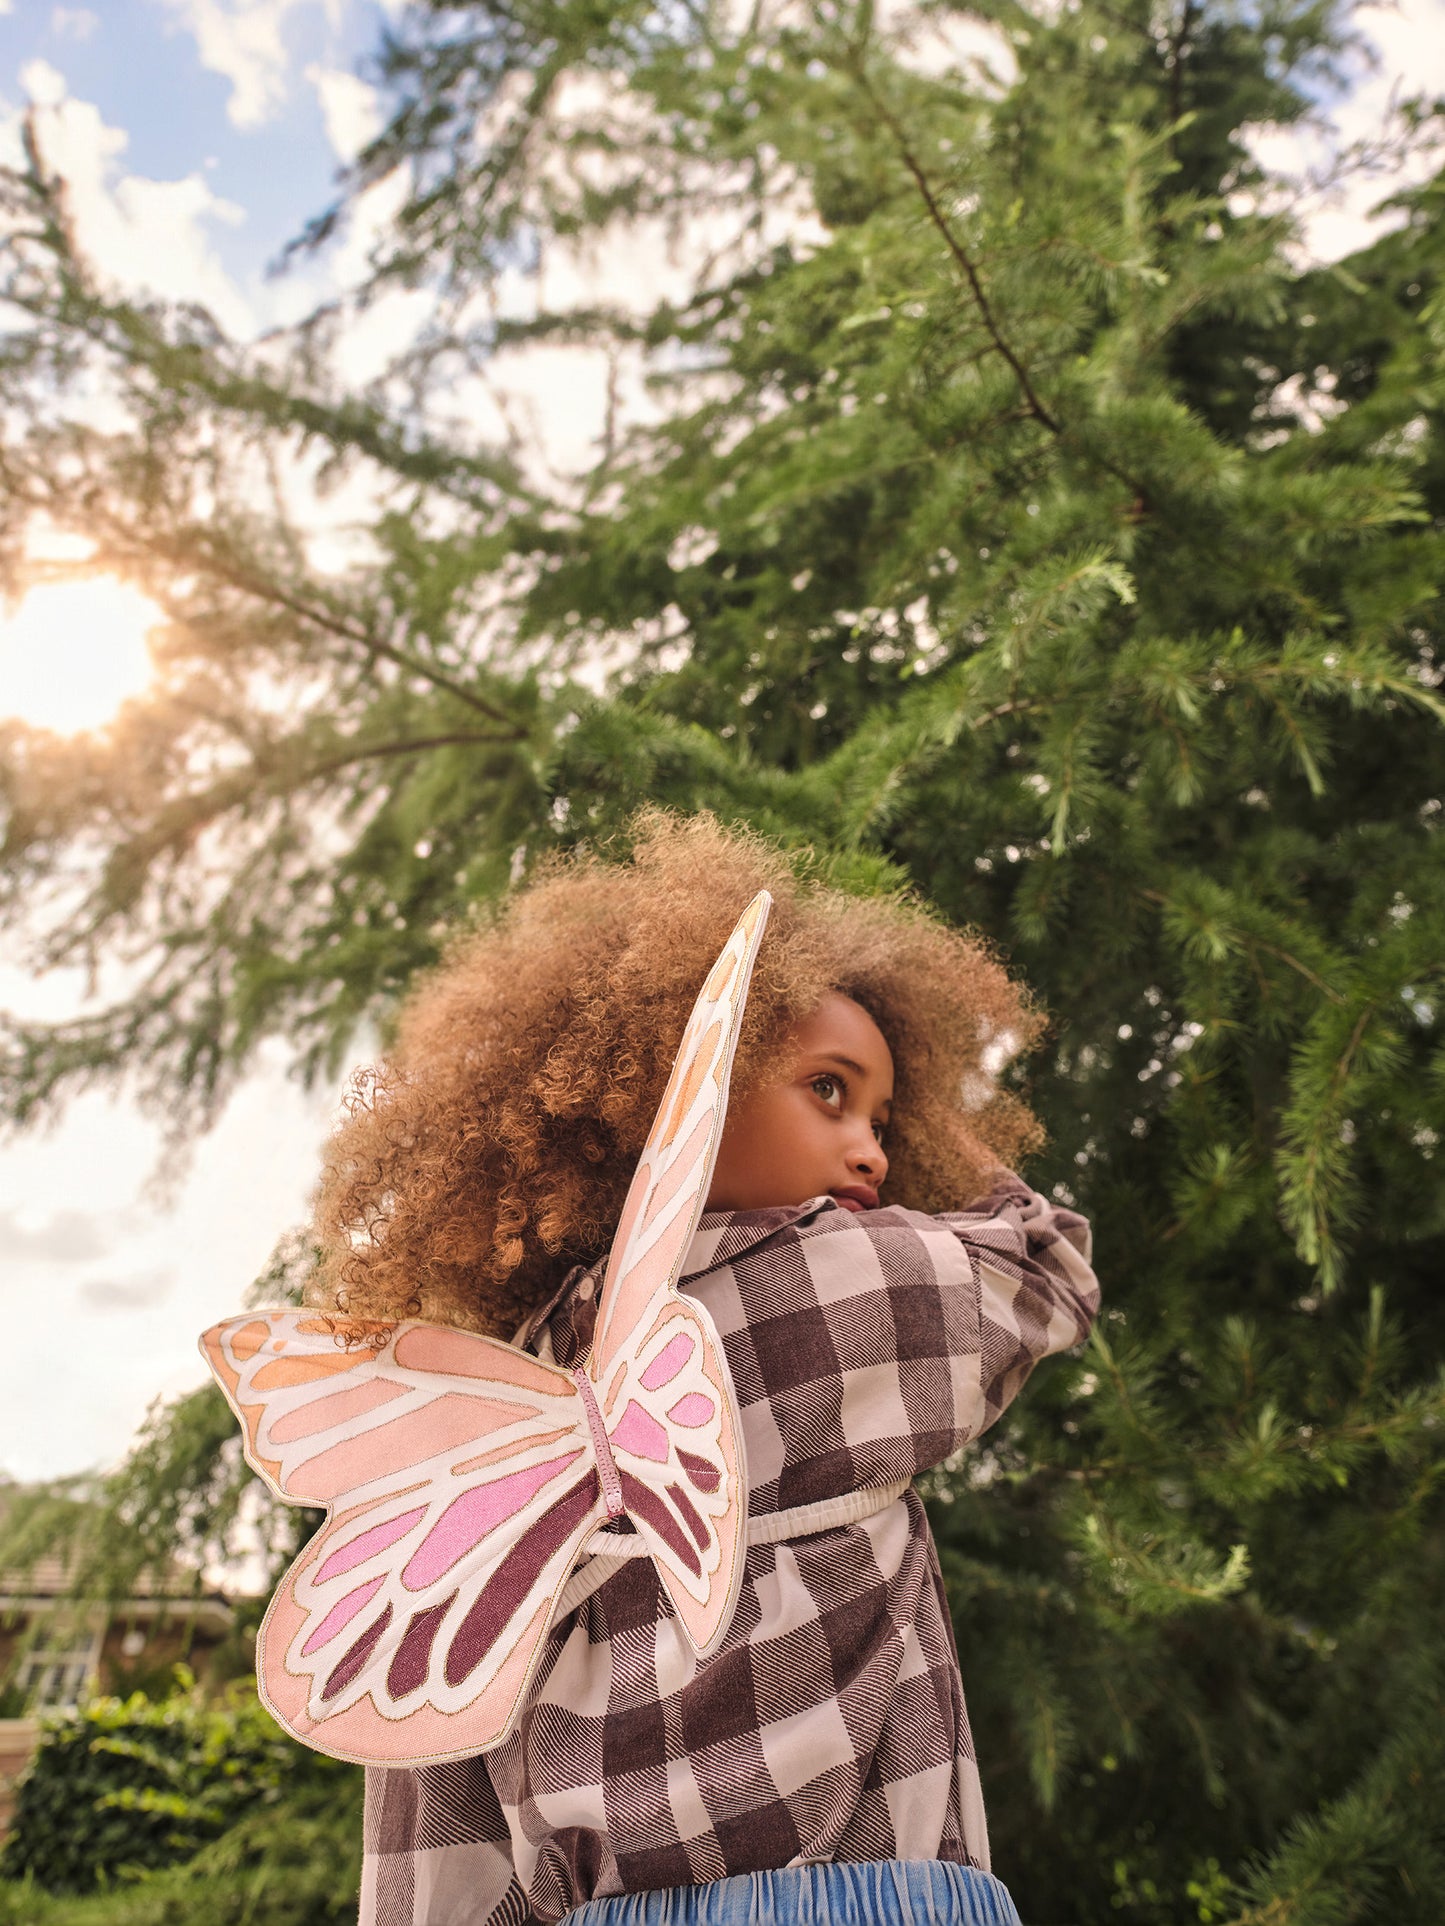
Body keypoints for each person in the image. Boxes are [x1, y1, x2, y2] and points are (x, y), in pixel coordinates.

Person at [310, 813, 1100, 1926]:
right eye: (829, 1088)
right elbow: (1046, 1269)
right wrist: (944, 1135)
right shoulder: (832, 1284)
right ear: (677, 1088)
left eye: (885, 1115)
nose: (873, 1146)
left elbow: (433, 1777)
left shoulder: (502, 1393)